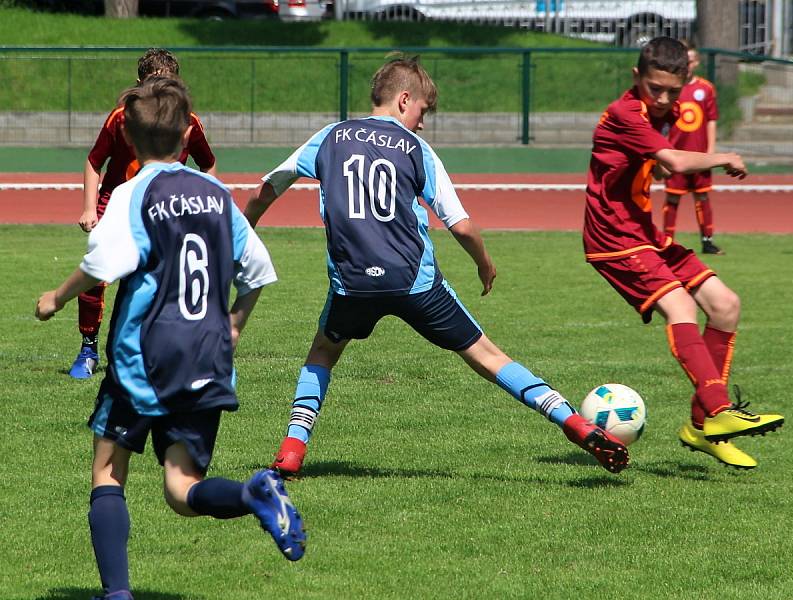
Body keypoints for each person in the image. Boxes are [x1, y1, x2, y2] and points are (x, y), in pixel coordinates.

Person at [244, 56, 629, 476]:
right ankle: (571, 421)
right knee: (485, 354)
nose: (423, 123)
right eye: (423, 111)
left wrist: (244, 231)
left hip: (352, 283)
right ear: (404, 99)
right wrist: (484, 262)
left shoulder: (330, 137)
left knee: (323, 351)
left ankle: (292, 449)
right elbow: (460, 226)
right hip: (414, 282)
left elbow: (268, 188)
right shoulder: (417, 150)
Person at [36, 78, 305, 600]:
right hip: (206, 356)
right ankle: (253, 495)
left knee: (109, 472)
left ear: (130, 144)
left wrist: (56, 297)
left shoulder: (134, 192)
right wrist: (234, 323)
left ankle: (117, 594)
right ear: (187, 133)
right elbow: (259, 269)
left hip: (146, 355)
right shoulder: (215, 195)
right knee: (181, 491)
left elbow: (102, 263)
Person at [583, 37, 784, 470]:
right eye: (654, 87)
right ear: (636, 77)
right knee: (682, 309)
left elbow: (665, 158)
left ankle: (700, 428)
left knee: (726, 305)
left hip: (645, 233)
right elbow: (672, 161)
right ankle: (719, 409)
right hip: (613, 239)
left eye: (672, 90)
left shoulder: (669, 109)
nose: (662, 98)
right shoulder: (624, 113)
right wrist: (723, 157)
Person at [71, 48, 217, 380]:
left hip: (164, 209)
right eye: (155, 82)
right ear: (139, 85)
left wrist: (200, 203)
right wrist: (90, 207)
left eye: (168, 82)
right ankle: (88, 348)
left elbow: (207, 163)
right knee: (95, 275)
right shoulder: (121, 117)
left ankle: (162, 350)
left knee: (165, 280)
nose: (161, 91)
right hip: (116, 206)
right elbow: (95, 161)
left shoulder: (187, 122)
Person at [662, 40, 723, 255]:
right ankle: (666, 242)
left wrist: (711, 152)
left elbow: (711, 120)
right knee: (672, 197)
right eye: (683, 61)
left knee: (702, 197)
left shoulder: (705, 88)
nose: (687, 65)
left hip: (699, 155)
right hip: (676, 154)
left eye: (690, 61)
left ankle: (707, 241)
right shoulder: (670, 88)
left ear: (696, 63)